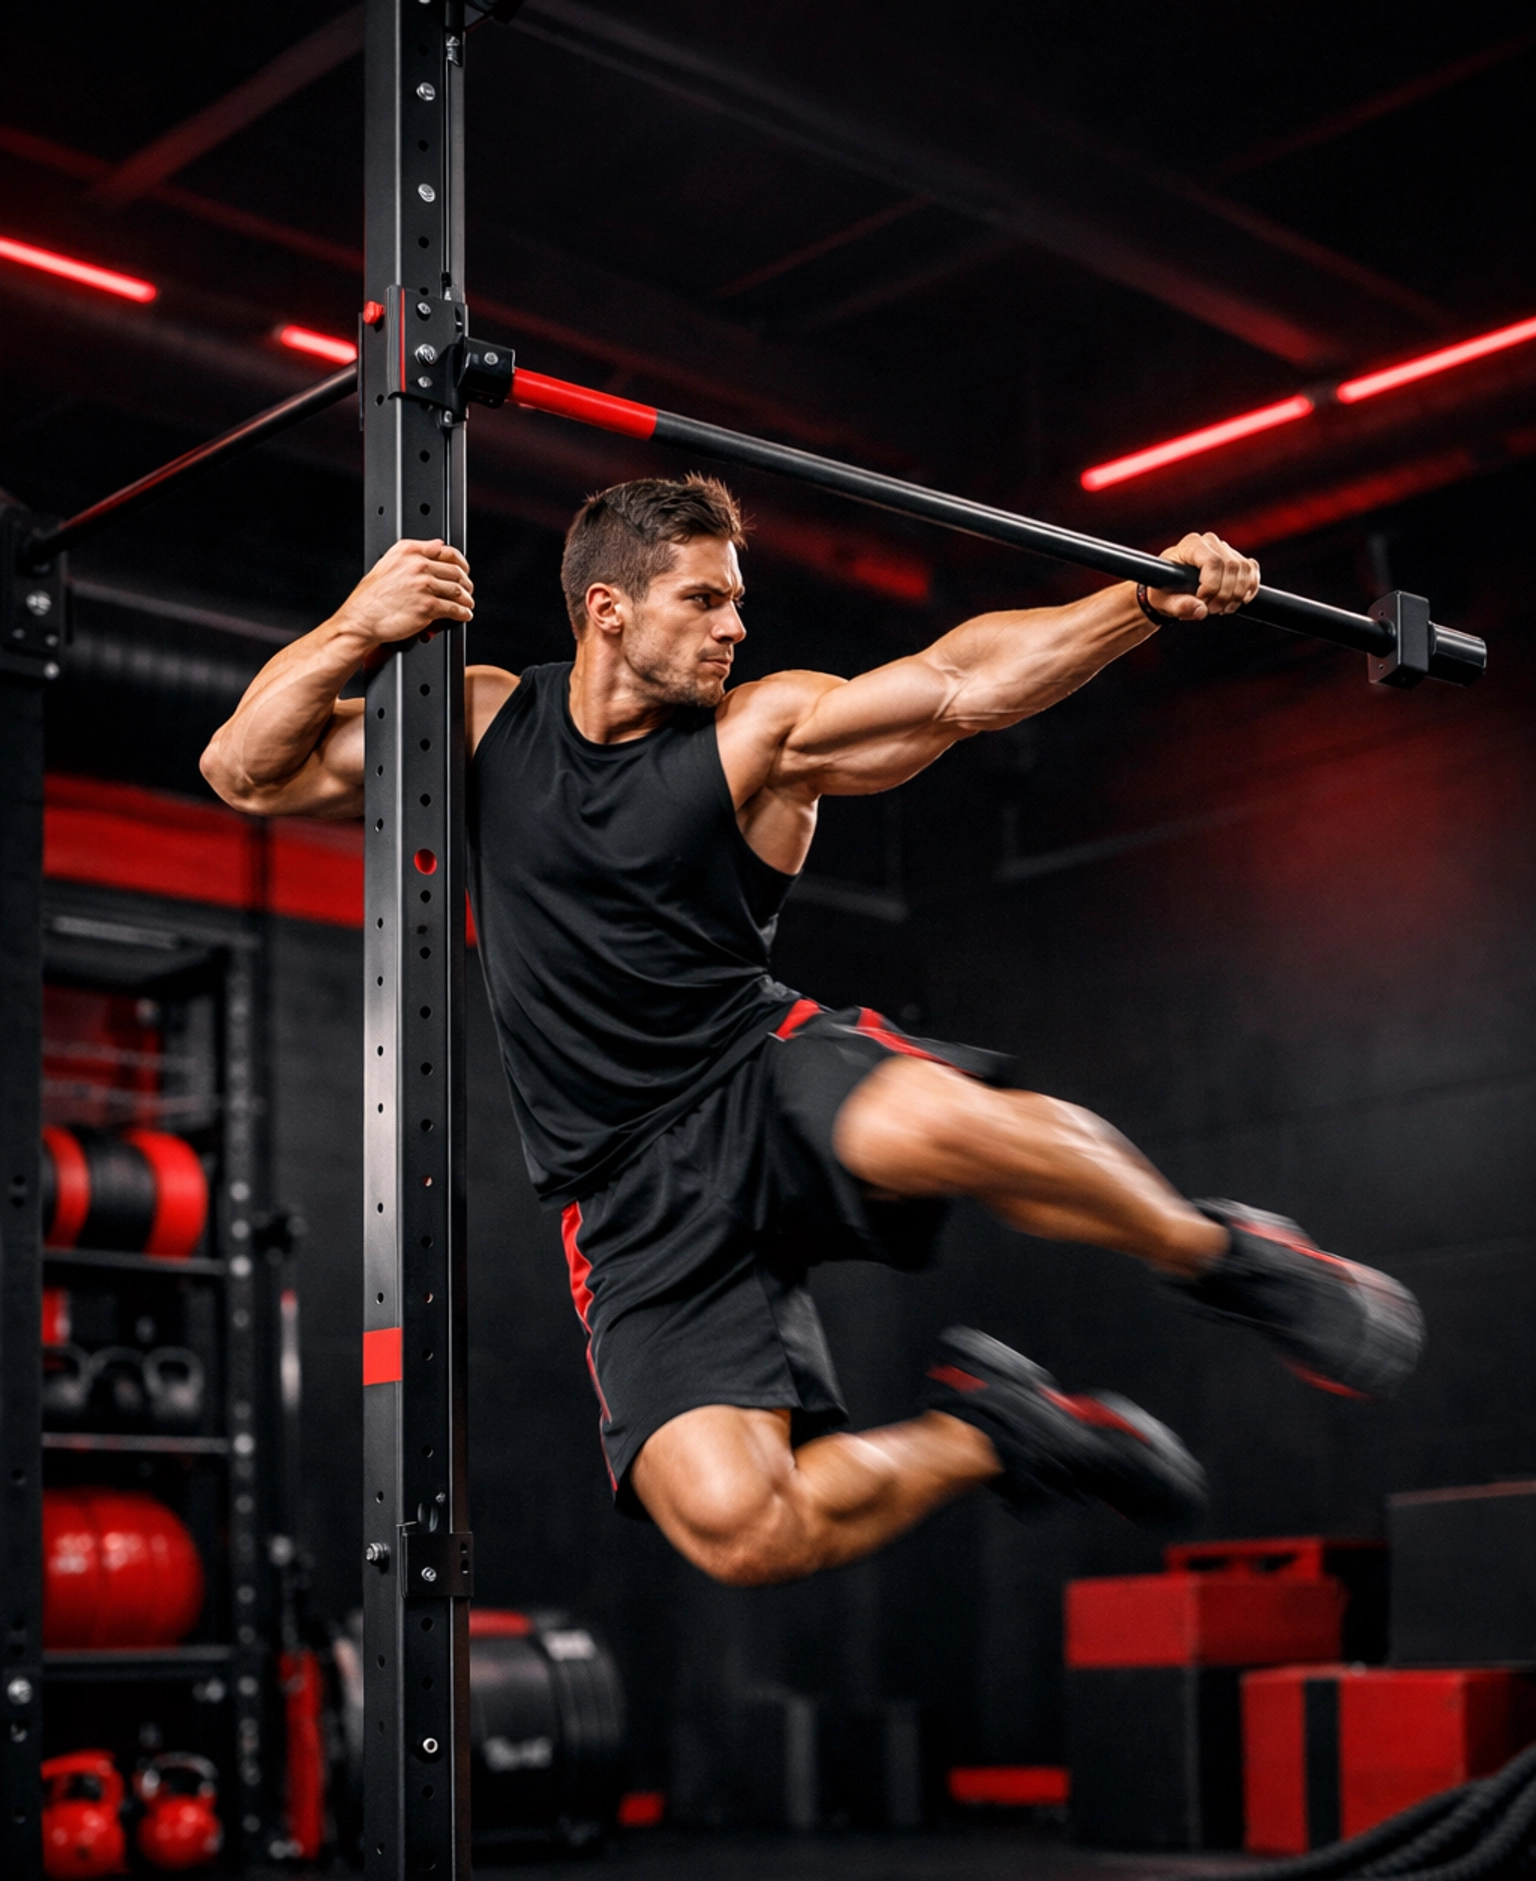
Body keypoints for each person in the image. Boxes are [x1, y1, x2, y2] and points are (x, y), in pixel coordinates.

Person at [201, 476, 1422, 1588]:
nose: (735, 626)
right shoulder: (480, 722)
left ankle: (1223, 1256)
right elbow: (247, 771)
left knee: (948, 1130)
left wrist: (1139, 603)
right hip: (624, 1192)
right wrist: (358, 625)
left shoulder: (760, 735)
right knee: (743, 1531)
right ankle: (995, 1434)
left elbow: (961, 684)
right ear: (608, 610)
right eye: (705, 599)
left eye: (739, 601)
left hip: (758, 1074)